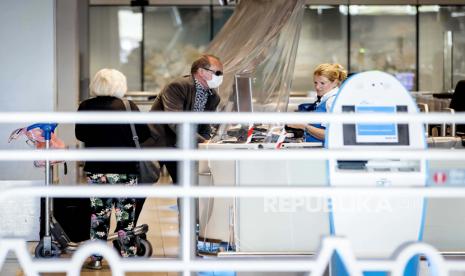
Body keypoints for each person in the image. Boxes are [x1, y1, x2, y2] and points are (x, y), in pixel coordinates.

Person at [75, 68, 150, 269]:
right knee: (125, 215)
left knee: (99, 215)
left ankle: (97, 258)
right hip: (125, 169)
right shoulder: (128, 106)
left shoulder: (86, 106)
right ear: (120, 85)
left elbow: (80, 135)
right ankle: (126, 255)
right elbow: (143, 135)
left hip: (97, 169)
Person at [145, 54, 223, 183]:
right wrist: (202, 142)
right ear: (202, 72)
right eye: (218, 73)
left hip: (184, 144)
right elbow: (175, 121)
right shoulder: (178, 86)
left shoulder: (213, 97)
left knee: (187, 184)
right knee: (143, 186)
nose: (220, 77)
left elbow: (204, 126)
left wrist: (206, 144)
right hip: (161, 142)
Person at [288, 63, 347, 143]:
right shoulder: (324, 99)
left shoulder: (332, 101)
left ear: (335, 82)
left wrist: (304, 126)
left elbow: (331, 135)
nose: (317, 87)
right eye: (315, 83)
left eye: (322, 83)